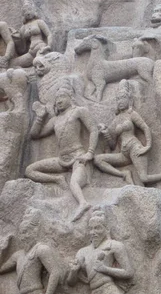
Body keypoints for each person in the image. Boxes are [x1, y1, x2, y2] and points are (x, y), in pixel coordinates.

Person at [25, 83, 98, 221]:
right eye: (56, 98)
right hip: (61, 159)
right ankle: (57, 179)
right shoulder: (55, 120)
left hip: (78, 156)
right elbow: (35, 135)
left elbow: (94, 129)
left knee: (74, 183)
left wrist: (90, 152)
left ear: (71, 97)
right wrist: (40, 117)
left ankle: (83, 203)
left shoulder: (79, 111)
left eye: (62, 97)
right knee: (30, 170)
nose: (58, 100)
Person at [94, 80, 161, 186]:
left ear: (129, 100)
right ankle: (123, 174)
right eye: (118, 99)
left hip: (135, 149)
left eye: (123, 98)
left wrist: (147, 146)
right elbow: (112, 145)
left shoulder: (132, 114)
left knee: (144, 178)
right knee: (98, 159)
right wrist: (106, 134)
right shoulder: (116, 120)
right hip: (124, 154)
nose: (120, 101)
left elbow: (145, 128)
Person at [67, 209, 134, 294]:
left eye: (97, 228)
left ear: (106, 229)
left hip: (109, 289)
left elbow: (129, 272)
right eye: (91, 229)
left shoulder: (114, 245)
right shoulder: (83, 252)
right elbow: (71, 283)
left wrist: (104, 269)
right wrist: (73, 271)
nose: (93, 232)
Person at [0, 208, 63, 294]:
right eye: (21, 233)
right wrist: (4, 248)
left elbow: (55, 272)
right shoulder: (18, 255)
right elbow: (2, 268)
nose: (23, 236)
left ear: (34, 232)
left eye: (26, 232)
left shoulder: (41, 249)